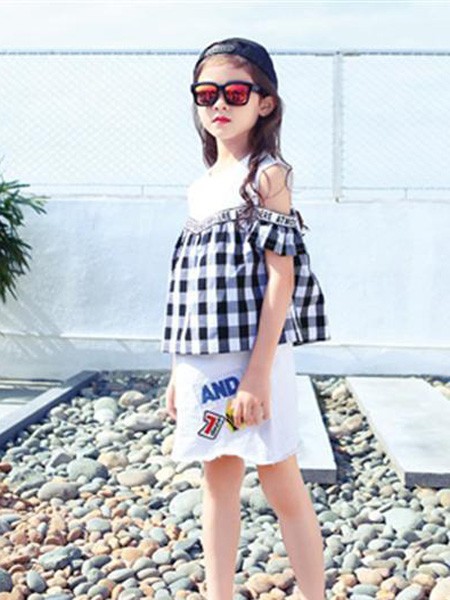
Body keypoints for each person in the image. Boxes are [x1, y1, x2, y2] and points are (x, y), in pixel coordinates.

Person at [160, 37, 330, 600]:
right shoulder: (199, 188)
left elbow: (281, 279)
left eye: (234, 92)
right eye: (206, 93)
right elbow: (191, 288)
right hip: (203, 360)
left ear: (265, 102)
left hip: (254, 358)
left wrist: (257, 376)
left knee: (280, 477)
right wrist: (177, 371)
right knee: (217, 477)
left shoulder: (267, 176)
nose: (218, 104)